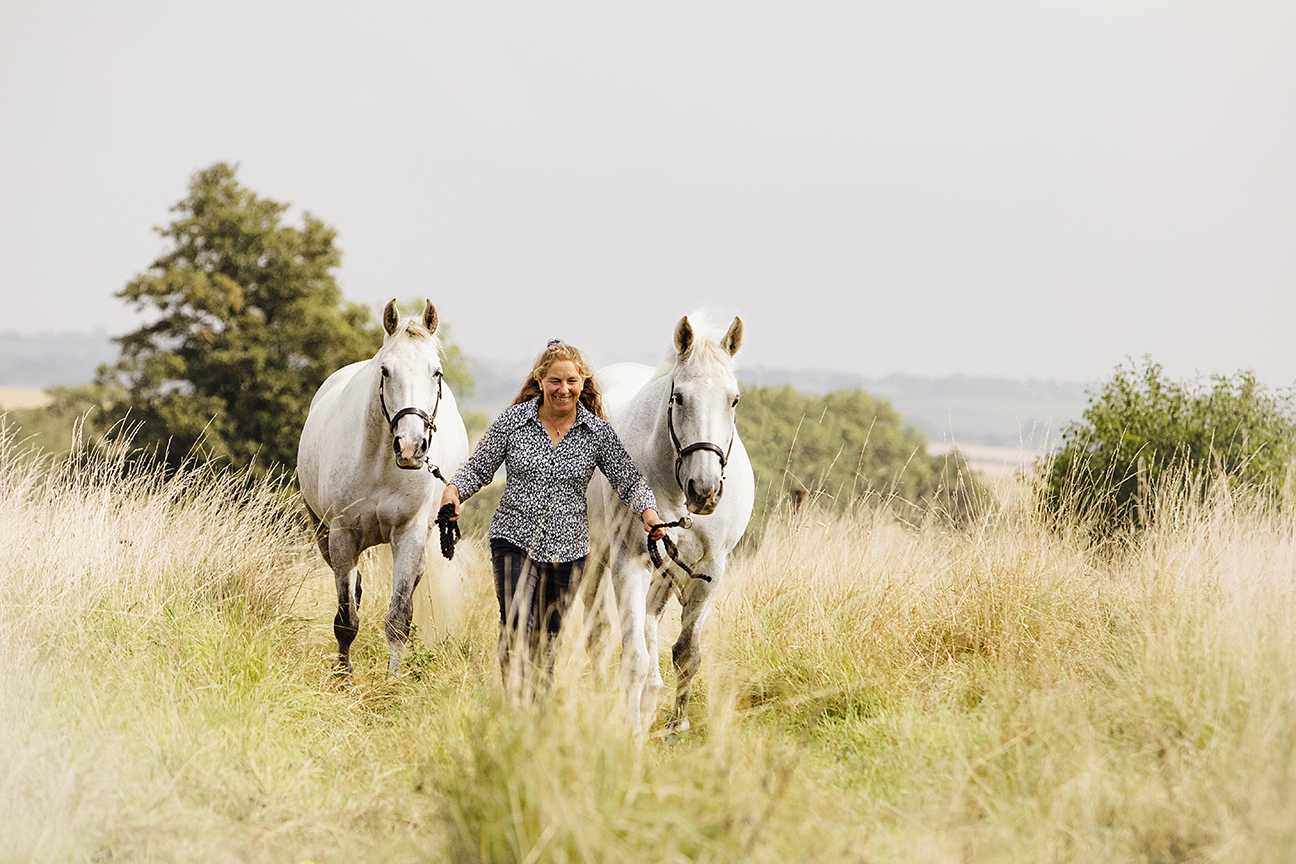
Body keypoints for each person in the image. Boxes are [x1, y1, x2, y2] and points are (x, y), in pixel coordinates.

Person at [441, 339, 664, 695]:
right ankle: (517, 706)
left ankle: (538, 713)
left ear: (582, 384)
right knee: (517, 625)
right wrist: (454, 491)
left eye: (571, 382)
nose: (563, 389)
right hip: (513, 538)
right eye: (556, 381)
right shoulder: (514, 422)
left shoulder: (597, 433)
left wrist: (649, 514)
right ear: (541, 381)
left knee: (547, 640)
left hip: (568, 550)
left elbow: (628, 479)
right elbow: (480, 467)